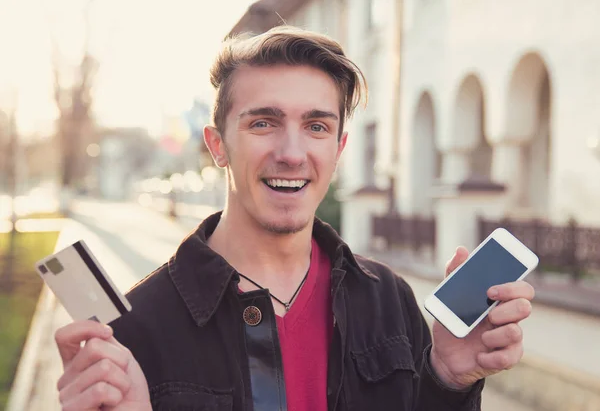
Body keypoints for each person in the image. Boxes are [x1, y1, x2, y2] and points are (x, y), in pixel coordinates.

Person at [54, 26, 535, 411]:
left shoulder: (389, 300)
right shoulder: (136, 330)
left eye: (317, 126)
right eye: (263, 122)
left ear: (339, 148)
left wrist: (447, 381)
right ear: (217, 144)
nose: (291, 153)